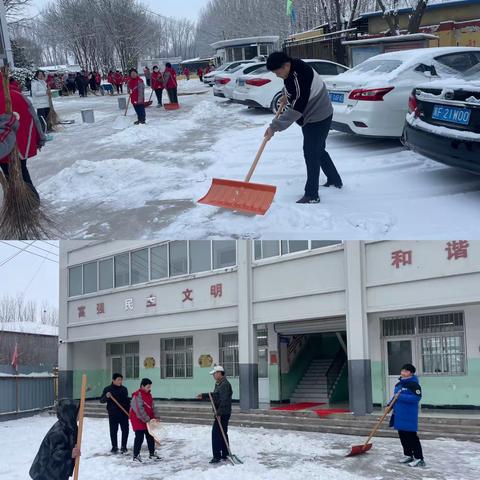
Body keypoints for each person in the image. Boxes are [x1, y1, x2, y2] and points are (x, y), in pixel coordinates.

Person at [264, 51, 343, 204]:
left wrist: (274, 127)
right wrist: (286, 95)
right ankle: (334, 180)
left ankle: (312, 194)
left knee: (311, 153)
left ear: (286, 65)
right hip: (315, 113)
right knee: (318, 150)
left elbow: (297, 109)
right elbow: (291, 87)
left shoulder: (300, 75)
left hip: (318, 116)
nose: (276, 75)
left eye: (277, 71)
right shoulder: (291, 70)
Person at [0, 79, 46, 201]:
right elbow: (34, 118)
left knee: (10, 177)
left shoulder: (13, 95)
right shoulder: (18, 95)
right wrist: (40, 138)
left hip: (3, 149)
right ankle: (32, 202)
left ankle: (21, 205)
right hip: (22, 145)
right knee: (22, 172)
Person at [29, 398, 81, 480]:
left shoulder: (68, 426)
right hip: (46, 473)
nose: (81, 414)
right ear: (70, 413)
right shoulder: (59, 431)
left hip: (57, 472)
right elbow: (57, 454)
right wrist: (70, 453)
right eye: (79, 412)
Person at [389, 363, 425, 468]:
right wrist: (389, 405)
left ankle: (419, 458)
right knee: (403, 436)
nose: (403, 372)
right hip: (399, 415)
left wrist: (401, 397)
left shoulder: (414, 385)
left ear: (411, 373)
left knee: (412, 437)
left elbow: (416, 398)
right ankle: (408, 455)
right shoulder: (399, 384)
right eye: (402, 370)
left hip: (409, 415)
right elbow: (395, 397)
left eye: (406, 371)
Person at [197, 365, 233, 464]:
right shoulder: (219, 383)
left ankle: (217, 456)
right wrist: (204, 395)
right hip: (222, 412)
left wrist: (219, 413)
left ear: (219, 373)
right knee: (222, 433)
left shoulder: (224, 384)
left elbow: (224, 400)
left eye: (214, 373)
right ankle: (225, 453)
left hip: (222, 413)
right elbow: (216, 396)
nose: (213, 375)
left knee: (216, 434)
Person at [130, 378, 161, 463]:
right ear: (142, 386)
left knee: (150, 436)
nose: (149, 388)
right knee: (139, 437)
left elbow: (153, 407)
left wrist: (156, 416)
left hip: (148, 420)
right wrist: (147, 419)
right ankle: (136, 456)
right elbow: (139, 410)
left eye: (150, 387)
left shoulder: (149, 395)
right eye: (147, 387)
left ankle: (152, 454)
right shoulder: (137, 396)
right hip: (138, 420)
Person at [100, 373, 130, 454]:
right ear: (113, 380)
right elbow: (101, 400)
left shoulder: (124, 389)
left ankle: (124, 446)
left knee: (125, 430)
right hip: (113, 413)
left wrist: (129, 408)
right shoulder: (108, 389)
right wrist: (106, 396)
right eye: (118, 380)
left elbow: (126, 400)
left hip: (123, 413)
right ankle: (114, 446)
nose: (120, 381)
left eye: (121, 380)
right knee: (113, 431)